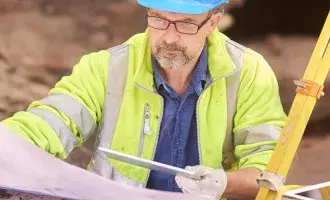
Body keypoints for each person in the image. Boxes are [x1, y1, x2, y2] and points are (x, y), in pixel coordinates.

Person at [0, 0, 287, 199]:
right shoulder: (105, 68)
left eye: (186, 24)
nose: (170, 37)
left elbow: (269, 170)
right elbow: (51, 120)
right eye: (159, 20)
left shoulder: (249, 72)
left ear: (213, 22)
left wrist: (223, 183)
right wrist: (7, 143)